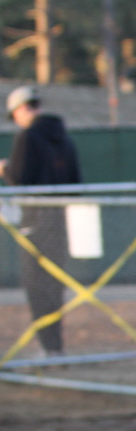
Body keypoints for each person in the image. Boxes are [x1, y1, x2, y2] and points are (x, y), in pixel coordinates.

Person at [3, 85, 82, 357]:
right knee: (53, 285)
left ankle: (49, 347)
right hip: (60, 221)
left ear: (23, 109)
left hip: (35, 222)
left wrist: (5, 171)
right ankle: (54, 345)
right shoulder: (64, 138)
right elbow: (76, 181)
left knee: (36, 285)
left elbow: (22, 180)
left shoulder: (29, 137)